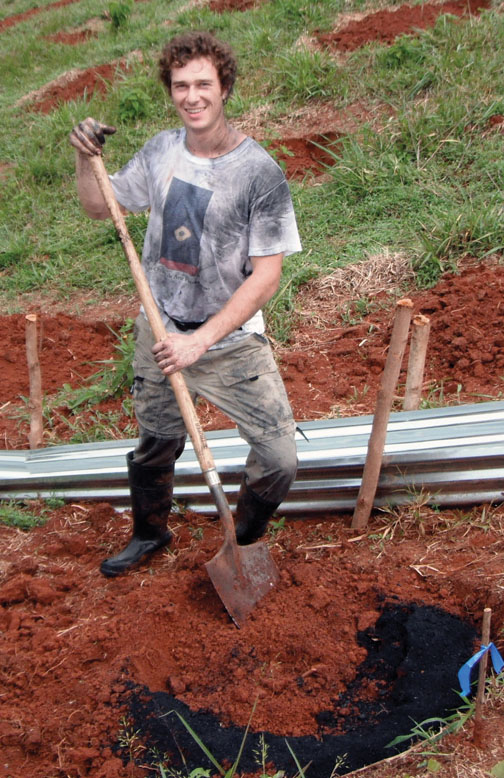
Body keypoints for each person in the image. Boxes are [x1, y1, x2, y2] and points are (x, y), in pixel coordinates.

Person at [69, 31, 302, 577]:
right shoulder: (161, 151)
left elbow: (268, 275)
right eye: (180, 86)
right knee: (156, 445)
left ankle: (241, 543)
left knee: (279, 459)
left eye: (203, 84)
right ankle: (149, 532)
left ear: (224, 88)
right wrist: (86, 158)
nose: (192, 96)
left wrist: (202, 340)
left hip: (228, 340)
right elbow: (100, 206)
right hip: (160, 328)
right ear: (170, 91)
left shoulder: (259, 174)